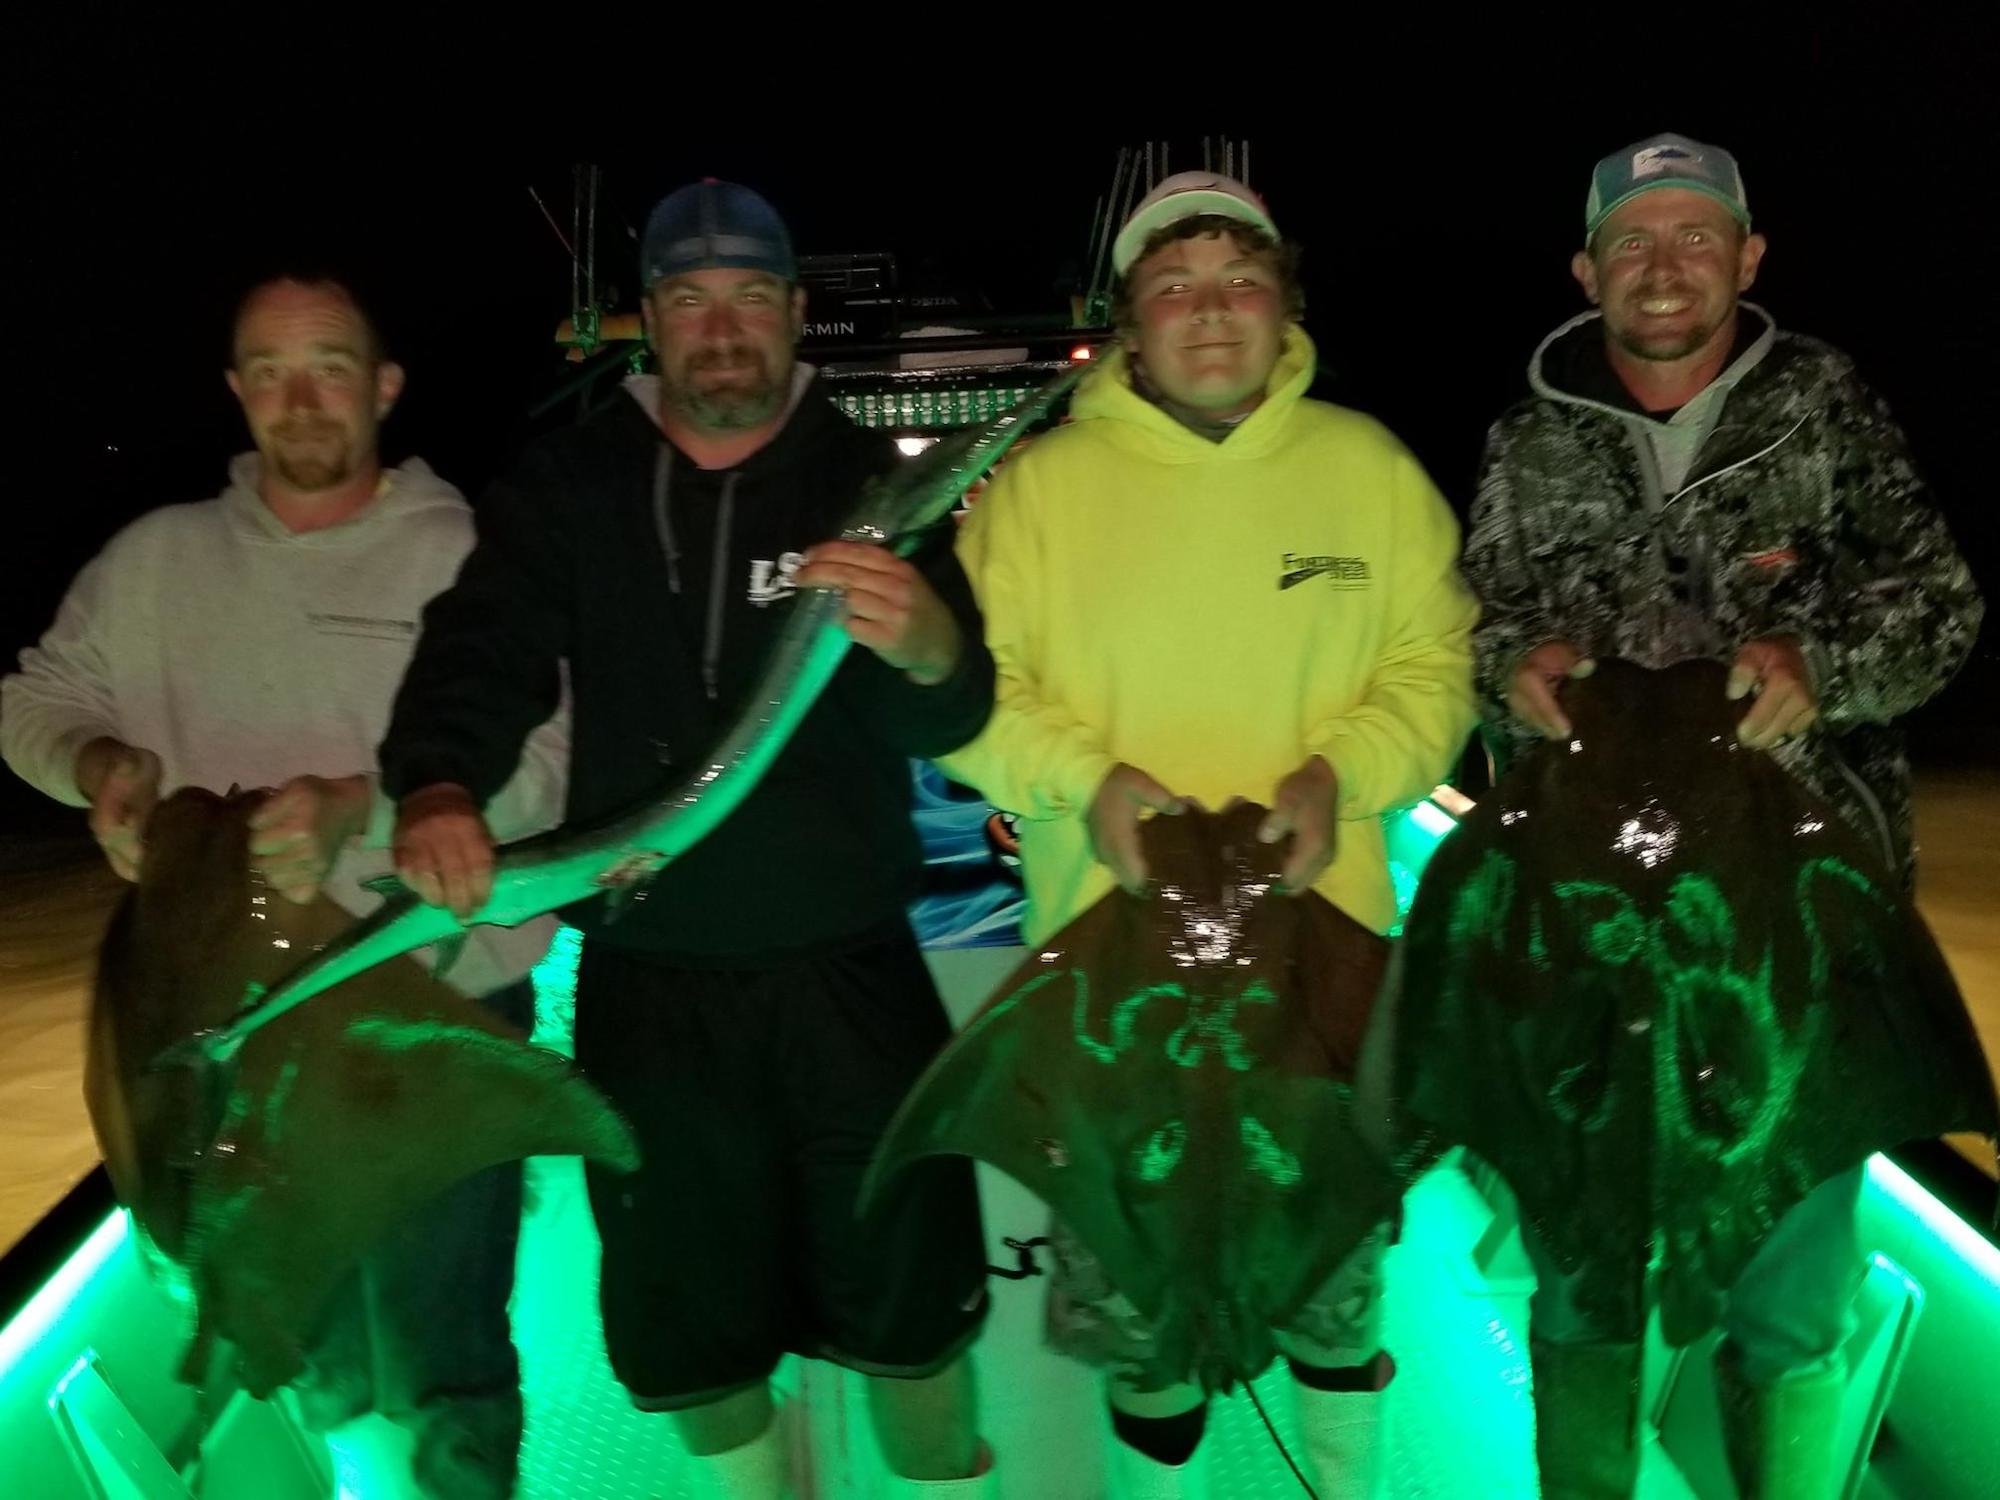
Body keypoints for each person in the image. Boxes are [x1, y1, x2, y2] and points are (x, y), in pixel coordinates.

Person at [376, 180, 999, 1500]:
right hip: (651, 985)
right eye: (690, 300)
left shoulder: (864, 488)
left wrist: (934, 646)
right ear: (648, 322)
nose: (722, 329)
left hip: (851, 979)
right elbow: (481, 651)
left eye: (751, 298)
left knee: (916, 1320)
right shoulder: (569, 481)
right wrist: (436, 784)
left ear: (795, 314)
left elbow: (950, 715)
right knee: (691, 1337)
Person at [939, 171, 1480, 1499]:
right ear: (1129, 322)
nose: (1210, 309)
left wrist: (1342, 776)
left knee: (1333, 1295)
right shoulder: (1037, 492)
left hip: (1322, 972)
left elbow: (1437, 672)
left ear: (1286, 302)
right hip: (1108, 983)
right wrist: (1085, 784)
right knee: (1140, 1309)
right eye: (1172, 286)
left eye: (1239, 279)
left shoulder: (1368, 468)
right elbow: (966, 705)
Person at [1461, 131, 1986, 1496]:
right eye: (1632, 239)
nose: (1664, 263)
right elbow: (1476, 623)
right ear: (1586, 269)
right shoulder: (1527, 440)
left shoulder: (1828, 406)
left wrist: (1823, 668)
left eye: (1695, 234)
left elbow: (1942, 607)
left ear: (1747, 258)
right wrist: (1510, 670)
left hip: (1791, 939)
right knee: (1583, 1277)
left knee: (1789, 1296)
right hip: (1589, 933)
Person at [0, 270, 567, 1499]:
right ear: (236, 390)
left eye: (328, 368)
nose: (300, 401)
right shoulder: (153, 561)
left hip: (425, 1026)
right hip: (234, 1047)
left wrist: (369, 813)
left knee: (443, 1363)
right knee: (311, 1350)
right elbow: (33, 702)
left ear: (385, 386)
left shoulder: (466, 555)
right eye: (270, 372)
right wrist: (95, 764)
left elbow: (546, 771)